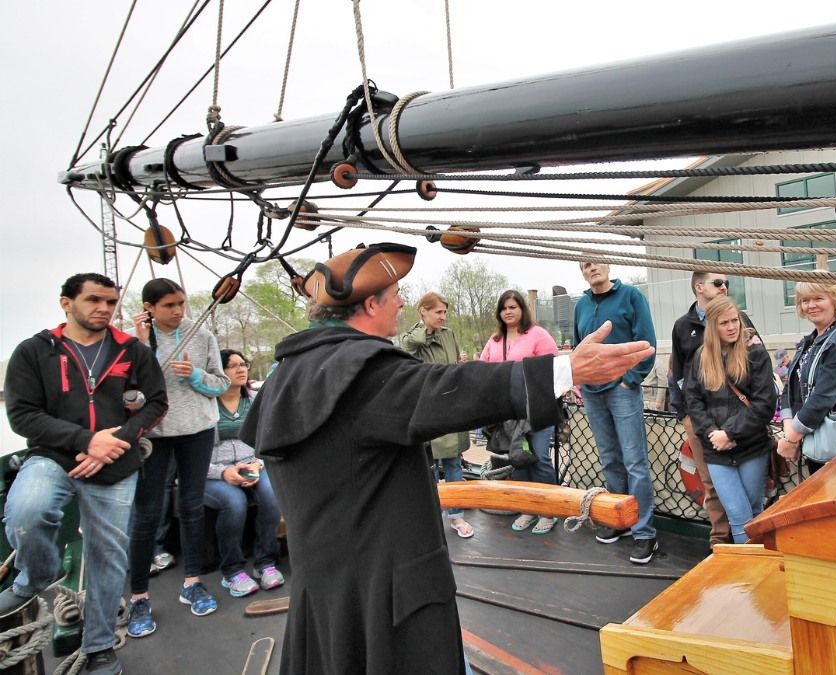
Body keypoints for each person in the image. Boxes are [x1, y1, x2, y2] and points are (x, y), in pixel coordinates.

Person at [240, 243, 653, 674]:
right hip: (390, 597)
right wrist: (565, 369)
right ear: (369, 305)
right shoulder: (360, 373)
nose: (402, 303)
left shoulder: (287, 376)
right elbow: (454, 388)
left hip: (326, 591)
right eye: (395, 294)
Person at [3, 273, 168, 675]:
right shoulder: (34, 351)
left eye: (110, 302)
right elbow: (23, 414)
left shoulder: (132, 351)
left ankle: (99, 647)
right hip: (54, 456)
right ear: (66, 303)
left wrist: (118, 440)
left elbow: (156, 403)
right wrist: (85, 440)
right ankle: (37, 575)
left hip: (116, 461)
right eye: (94, 300)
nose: (104, 309)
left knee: (107, 555)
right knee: (26, 511)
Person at [127, 278, 231, 637]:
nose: (178, 311)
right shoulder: (133, 341)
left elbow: (221, 384)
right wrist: (141, 348)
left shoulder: (201, 335)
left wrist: (197, 376)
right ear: (149, 307)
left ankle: (192, 582)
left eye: (181, 303)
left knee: (191, 507)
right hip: (154, 434)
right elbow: (128, 394)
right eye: (169, 305)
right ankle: (140, 596)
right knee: (146, 514)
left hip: (197, 431)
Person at [574, 261, 659, 564]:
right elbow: (578, 348)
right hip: (592, 394)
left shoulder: (631, 296)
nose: (592, 268)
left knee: (635, 462)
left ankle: (644, 532)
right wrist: (580, 382)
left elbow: (647, 342)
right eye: (585, 264)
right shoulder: (581, 305)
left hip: (622, 390)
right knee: (610, 460)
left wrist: (630, 380)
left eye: (596, 262)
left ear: (608, 265)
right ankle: (619, 521)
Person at [669, 272, 760, 549]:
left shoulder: (740, 320)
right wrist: (685, 414)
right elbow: (678, 373)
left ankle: (750, 545)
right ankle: (720, 541)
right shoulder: (683, 327)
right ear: (699, 287)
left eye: (727, 283)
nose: (724, 287)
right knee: (711, 484)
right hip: (702, 421)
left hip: (741, 422)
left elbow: (760, 366)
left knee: (748, 488)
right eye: (717, 283)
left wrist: (736, 427)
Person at [682, 296, 775, 544]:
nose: (732, 327)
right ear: (713, 327)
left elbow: (764, 403)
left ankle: (756, 567)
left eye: (735, 321)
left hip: (751, 446)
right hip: (717, 450)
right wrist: (714, 434)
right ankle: (750, 568)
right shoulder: (701, 358)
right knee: (737, 513)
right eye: (725, 323)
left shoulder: (755, 354)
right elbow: (693, 401)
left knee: (754, 508)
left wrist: (730, 434)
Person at [478, 290, 561, 535]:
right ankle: (528, 508)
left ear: (522, 309)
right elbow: (483, 368)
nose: (508, 311)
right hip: (509, 410)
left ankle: (549, 510)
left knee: (540, 457)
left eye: (513, 306)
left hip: (537, 407)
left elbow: (553, 366)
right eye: (504, 308)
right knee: (518, 458)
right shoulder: (494, 340)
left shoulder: (538, 335)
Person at [203, 349, 284, 597]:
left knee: (272, 497)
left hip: (254, 465)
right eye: (232, 365)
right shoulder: (204, 404)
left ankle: (265, 563)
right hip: (213, 473)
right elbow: (192, 454)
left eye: (243, 364)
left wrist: (258, 462)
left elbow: (269, 436)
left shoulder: (256, 398)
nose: (241, 369)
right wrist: (224, 472)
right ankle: (233, 569)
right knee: (233, 502)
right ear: (218, 371)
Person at [400, 292, 474, 539]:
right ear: (423, 311)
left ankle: (456, 516)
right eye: (438, 312)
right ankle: (430, 518)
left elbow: (453, 366)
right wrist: (425, 327)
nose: (443, 317)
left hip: (449, 407)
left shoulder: (449, 334)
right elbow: (411, 347)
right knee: (427, 466)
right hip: (425, 410)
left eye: (445, 312)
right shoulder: (411, 337)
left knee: (453, 463)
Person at [777, 280, 836, 473]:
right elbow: (790, 388)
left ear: (834, 300)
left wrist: (791, 438)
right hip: (815, 445)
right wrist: (789, 431)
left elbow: (823, 397)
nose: (811, 305)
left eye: (818, 298)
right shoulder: (809, 342)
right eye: (805, 300)